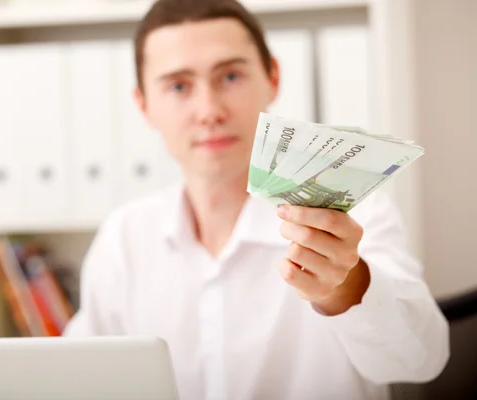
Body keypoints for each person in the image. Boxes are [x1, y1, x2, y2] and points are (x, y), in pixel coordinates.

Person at [63, 0, 450, 399]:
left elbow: (420, 360)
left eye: (230, 76)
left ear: (272, 78)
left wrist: (345, 287)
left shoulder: (355, 213)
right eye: (178, 86)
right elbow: (78, 376)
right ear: (144, 105)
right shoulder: (124, 237)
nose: (209, 110)